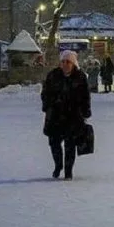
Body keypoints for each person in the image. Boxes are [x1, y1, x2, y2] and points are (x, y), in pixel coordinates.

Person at [41, 50, 91, 180]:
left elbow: (85, 96)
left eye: (68, 62)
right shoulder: (53, 75)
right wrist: (48, 105)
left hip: (73, 116)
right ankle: (58, 165)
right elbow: (45, 93)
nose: (65, 64)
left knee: (70, 144)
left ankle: (68, 171)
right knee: (54, 143)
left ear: (73, 63)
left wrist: (85, 110)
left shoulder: (80, 77)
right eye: (63, 61)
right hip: (55, 115)